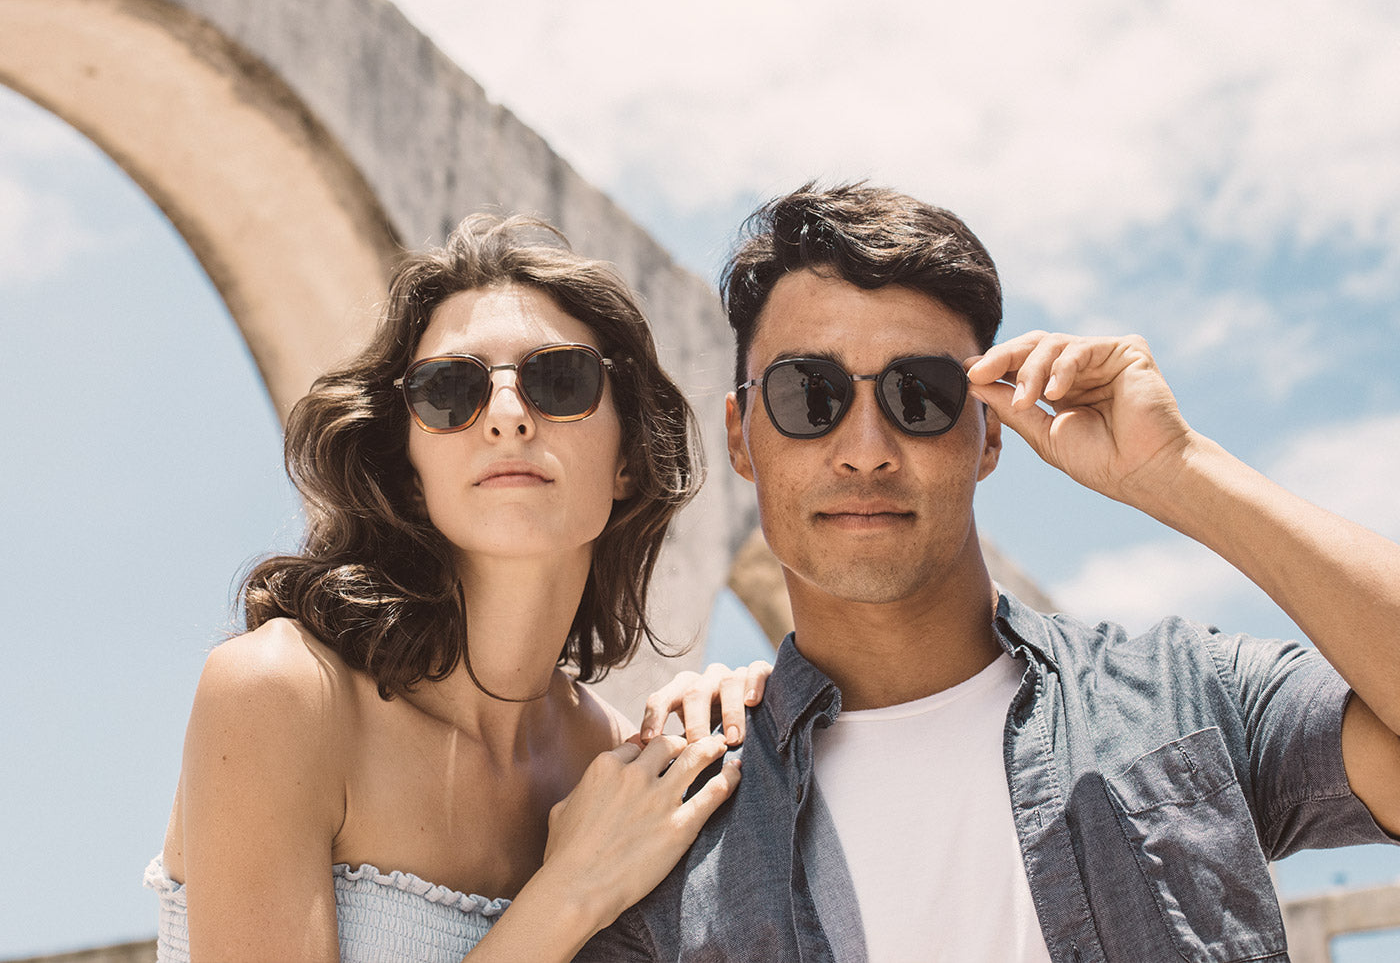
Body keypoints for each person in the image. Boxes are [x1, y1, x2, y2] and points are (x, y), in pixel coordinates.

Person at [578, 183, 1400, 962]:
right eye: (808, 394)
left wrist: (1180, 471)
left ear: (992, 431)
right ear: (741, 435)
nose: (866, 452)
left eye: (921, 394)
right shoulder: (666, 827)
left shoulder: (1184, 698)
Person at [145, 214, 770, 962]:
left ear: (629, 457)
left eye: (559, 380)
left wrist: (756, 710)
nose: (507, 416)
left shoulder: (614, 768)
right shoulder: (284, 692)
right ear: (409, 472)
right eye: (450, 390)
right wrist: (570, 891)